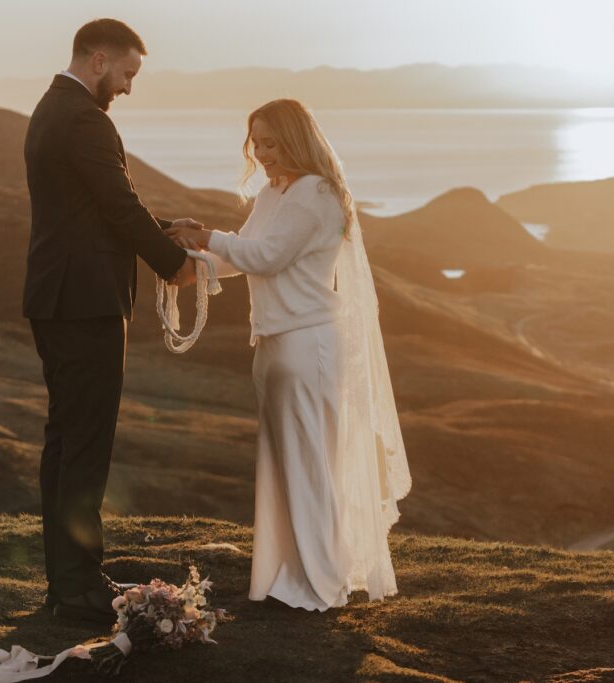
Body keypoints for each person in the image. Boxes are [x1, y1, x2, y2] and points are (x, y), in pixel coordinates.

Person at [165, 99, 412, 610]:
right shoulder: (272, 194)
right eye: (256, 143)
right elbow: (247, 259)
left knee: (311, 463)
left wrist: (205, 235)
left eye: (272, 143)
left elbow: (268, 256)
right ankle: (286, 575)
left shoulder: (315, 194)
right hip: (274, 344)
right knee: (283, 464)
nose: (262, 153)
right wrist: (193, 264)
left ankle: (320, 581)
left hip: (307, 344)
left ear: (297, 140)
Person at [23, 18, 201, 624]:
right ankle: (76, 589)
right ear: (98, 60)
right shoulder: (81, 118)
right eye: (126, 73)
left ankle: (67, 577)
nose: (128, 87)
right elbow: (118, 202)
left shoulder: (52, 108)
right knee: (86, 446)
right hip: (85, 303)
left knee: (66, 440)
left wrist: (161, 232)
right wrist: (174, 263)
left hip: (58, 299)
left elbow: (95, 208)